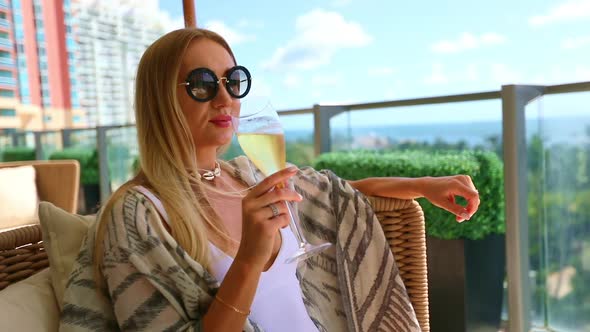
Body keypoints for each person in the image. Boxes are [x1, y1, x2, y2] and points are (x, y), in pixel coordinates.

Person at [60, 28, 480, 332]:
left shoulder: (245, 176)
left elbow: (336, 194)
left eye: (233, 80)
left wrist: (425, 185)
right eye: (203, 84)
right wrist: (248, 261)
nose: (226, 97)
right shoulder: (137, 215)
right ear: (160, 99)